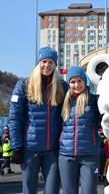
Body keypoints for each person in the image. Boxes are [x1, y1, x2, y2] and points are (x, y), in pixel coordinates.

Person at [8, 47, 66, 194]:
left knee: (52, 189)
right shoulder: (24, 85)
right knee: (29, 190)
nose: (47, 65)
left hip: (52, 150)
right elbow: (15, 117)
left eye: (51, 62)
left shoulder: (61, 86)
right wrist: (17, 146)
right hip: (29, 150)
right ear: (38, 63)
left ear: (55, 65)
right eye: (44, 61)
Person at [59, 66, 101, 194]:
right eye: (72, 81)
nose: (76, 85)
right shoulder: (64, 102)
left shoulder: (95, 100)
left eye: (79, 81)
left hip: (89, 154)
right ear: (69, 83)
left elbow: (103, 121)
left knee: (89, 191)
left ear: (84, 82)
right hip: (66, 155)